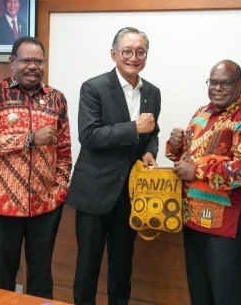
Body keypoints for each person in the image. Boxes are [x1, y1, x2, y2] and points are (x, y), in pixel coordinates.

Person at [65, 26, 161, 305]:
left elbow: (152, 132)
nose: (134, 57)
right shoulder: (93, 87)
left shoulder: (152, 92)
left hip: (130, 193)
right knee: (88, 263)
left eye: (140, 52)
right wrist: (134, 128)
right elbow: (89, 136)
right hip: (94, 191)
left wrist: (150, 151)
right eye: (127, 51)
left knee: (122, 262)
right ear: (114, 54)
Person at [0, 37, 71, 299]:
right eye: (26, 60)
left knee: (41, 274)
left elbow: (64, 150)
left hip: (45, 206)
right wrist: (29, 138)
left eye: (38, 61)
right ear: (12, 61)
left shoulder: (56, 98)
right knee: (3, 275)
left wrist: (59, 192)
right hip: (2, 206)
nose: (33, 67)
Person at [166, 60, 241, 305]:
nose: (217, 88)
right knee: (201, 296)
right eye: (213, 82)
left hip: (228, 227)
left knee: (230, 298)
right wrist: (176, 146)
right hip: (193, 220)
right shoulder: (202, 113)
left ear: (240, 85)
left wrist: (197, 170)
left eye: (225, 83)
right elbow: (186, 159)